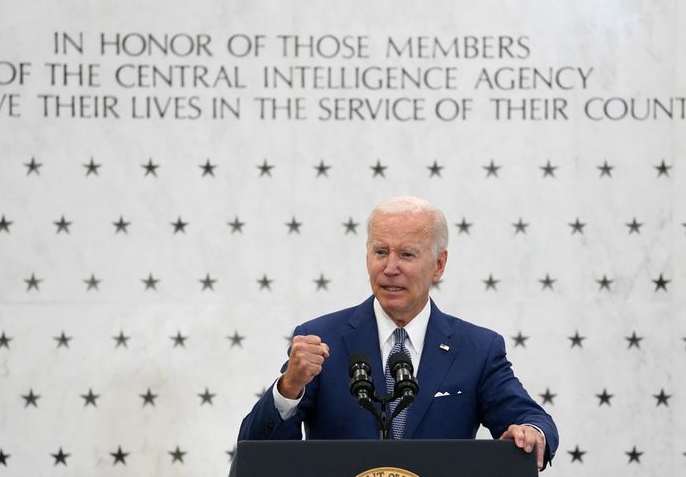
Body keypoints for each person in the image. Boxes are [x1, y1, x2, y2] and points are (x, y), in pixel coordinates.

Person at [238, 196, 558, 469]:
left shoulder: (477, 348)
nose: (390, 267)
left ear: (439, 264)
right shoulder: (321, 339)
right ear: (367, 256)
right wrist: (289, 386)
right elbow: (258, 451)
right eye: (380, 252)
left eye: (407, 254)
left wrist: (531, 432)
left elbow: (531, 418)